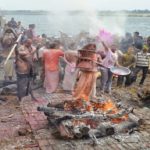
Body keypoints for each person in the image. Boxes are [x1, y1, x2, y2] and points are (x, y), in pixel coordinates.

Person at [73, 44, 99, 111]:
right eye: (90, 48)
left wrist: (96, 63)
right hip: (85, 72)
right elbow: (78, 62)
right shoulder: (83, 53)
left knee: (89, 87)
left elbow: (98, 62)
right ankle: (77, 99)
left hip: (93, 73)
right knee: (80, 86)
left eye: (93, 48)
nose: (91, 49)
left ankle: (86, 100)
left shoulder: (96, 55)